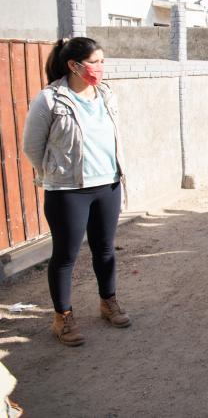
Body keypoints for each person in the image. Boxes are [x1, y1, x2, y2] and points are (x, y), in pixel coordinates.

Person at [23, 37, 131, 347]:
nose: (101, 68)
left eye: (102, 61)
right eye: (95, 62)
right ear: (74, 65)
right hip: (68, 190)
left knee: (105, 249)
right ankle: (63, 318)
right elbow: (32, 147)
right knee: (66, 256)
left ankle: (108, 303)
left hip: (108, 183)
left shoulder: (106, 95)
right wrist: (54, 174)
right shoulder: (50, 99)